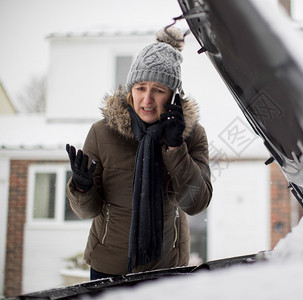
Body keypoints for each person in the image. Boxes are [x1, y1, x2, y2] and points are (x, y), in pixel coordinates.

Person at [65, 26, 212, 280]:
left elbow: (196, 204)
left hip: (168, 267)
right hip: (109, 266)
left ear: (173, 95)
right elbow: (87, 211)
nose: (147, 99)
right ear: (130, 89)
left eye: (158, 90)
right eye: (141, 87)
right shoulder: (102, 133)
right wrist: (81, 187)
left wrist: (176, 149)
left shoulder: (192, 135)